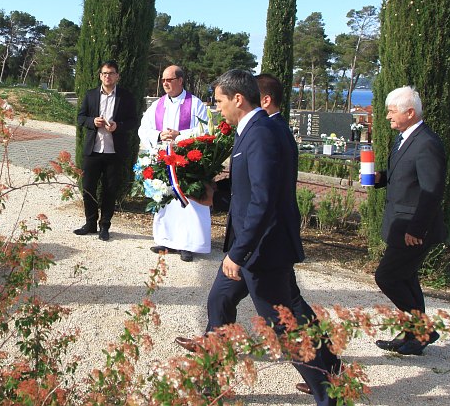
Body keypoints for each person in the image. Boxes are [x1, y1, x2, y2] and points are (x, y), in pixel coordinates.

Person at [178, 69, 341, 405]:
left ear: (238, 99)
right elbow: (246, 190)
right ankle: (212, 384)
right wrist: (213, 194)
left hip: (261, 252)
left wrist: (239, 254)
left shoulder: (262, 132)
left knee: (283, 327)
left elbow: (263, 200)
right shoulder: (249, 130)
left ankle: (329, 394)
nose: (217, 108)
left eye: (220, 101)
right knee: (219, 302)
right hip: (248, 248)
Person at [373, 86, 446, 355]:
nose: (388, 117)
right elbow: (406, 177)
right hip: (401, 223)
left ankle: (422, 330)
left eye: (392, 111)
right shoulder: (404, 138)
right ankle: (414, 335)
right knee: (406, 278)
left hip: (413, 227)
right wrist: (381, 178)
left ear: (410, 112)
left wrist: (417, 228)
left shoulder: (427, 143)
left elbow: (432, 190)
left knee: (387, 276)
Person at [138, 65, 211, 262]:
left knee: (188, 201)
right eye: (163, 80)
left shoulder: (195, 104)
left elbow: (205, 130)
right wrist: (159, 135)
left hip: (188, 162)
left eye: (169, 79)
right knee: (166, 199)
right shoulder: (157, 105)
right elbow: (143, 129)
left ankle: (188, 244)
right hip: (165, 160)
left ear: (180, 80)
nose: (165, 83)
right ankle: (166, 240)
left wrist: (180, 135)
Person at [75, 60, 138, 241]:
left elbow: (134, 121)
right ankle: (90, 224)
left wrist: (118, 126)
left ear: (117, 76)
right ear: (100, 76)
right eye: (104, 73)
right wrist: (92, 122)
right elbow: (80, 117)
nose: (107, 76)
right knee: (88, 188)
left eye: (111, 73)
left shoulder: (126, 97)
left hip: (114, 152)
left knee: (110, 191)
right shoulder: (91, 95)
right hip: (93, 150)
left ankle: (105, 226)